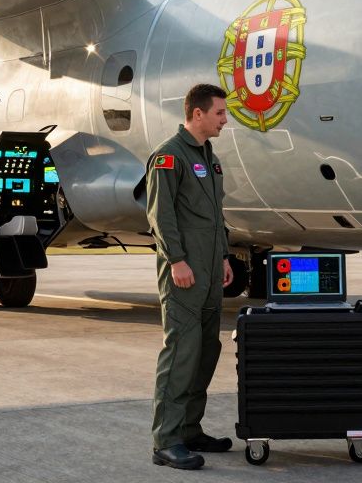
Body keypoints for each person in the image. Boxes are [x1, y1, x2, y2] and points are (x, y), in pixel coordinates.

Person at [148, 83, 235, 470]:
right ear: (197, 114)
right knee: (181, 353)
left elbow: (215, 216)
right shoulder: (169, 157)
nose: (224, 120)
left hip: (210, 271)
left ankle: (189, 429)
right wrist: (177, 260)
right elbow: (160, 216)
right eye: (219, 113)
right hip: (183, 272)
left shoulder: (210, 157)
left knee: (204, 352)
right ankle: (166, 441)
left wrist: (225, 257)